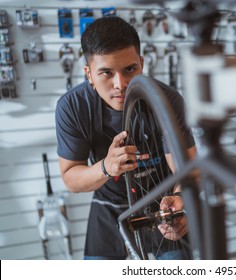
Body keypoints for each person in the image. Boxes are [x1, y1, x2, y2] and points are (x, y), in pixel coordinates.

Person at [55, 16, 196, 260]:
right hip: (108, 205)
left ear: (142, 63)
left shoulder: (168, 100)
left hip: (163, 203)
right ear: (88, 74)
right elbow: (71, 179)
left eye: (130, 69)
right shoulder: (72, 107)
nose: (120, 84)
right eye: (106, 73)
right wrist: (106, 168)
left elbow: (188, 169)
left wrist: (183, 199)